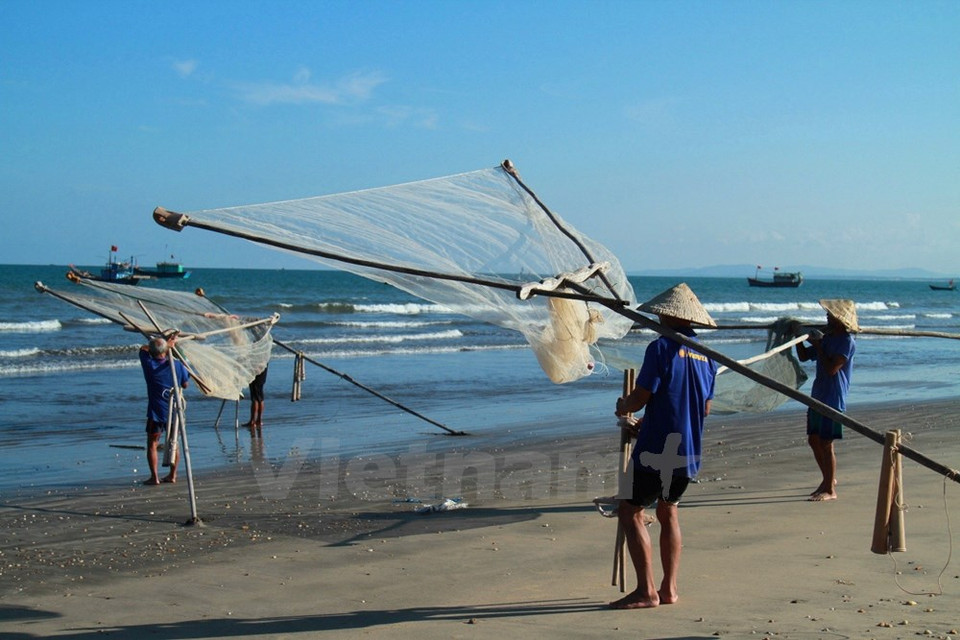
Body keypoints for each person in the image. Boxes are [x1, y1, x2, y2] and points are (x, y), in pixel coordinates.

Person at [610, 283, 718, 610]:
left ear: (669, 316)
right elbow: (702, 408)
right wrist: (646, 421)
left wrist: (624, 405)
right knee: (668, 510)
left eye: (660, 313)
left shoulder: (660, 348)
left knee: (630, 511)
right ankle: (668, 588)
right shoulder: (707, 357)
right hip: (688, 448)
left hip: (657, 449)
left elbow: (641, 397)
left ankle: (647, 592)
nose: (656, 317)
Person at [795, 299, 857, 502]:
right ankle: (827, 479)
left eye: (830, 315)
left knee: (826, 443)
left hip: (833, 398)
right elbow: (804, 356)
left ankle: (830, 489)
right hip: (818, 395)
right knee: (813, 440)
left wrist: (818, 346)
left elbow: (832, 369)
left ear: (839, 320)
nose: (827, 317)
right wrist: (798, 337)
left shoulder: (846, 342)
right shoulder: (828, 339)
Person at [139, 334, 190, 486]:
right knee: (174, 442)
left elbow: (142, 349)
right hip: (174, 411)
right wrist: (169, 346)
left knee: (152, 444)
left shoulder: (149, 365)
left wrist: (165, 344)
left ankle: (154, 477)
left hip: (156, 412)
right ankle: (172, 475)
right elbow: (185, 384)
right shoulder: (177, 366)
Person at [244, 365, 268, 431]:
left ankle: (252, 421)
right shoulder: (264, 355)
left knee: (254, 397)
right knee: (260, 395)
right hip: (263, 369)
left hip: (255, 370)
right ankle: (259, 420)